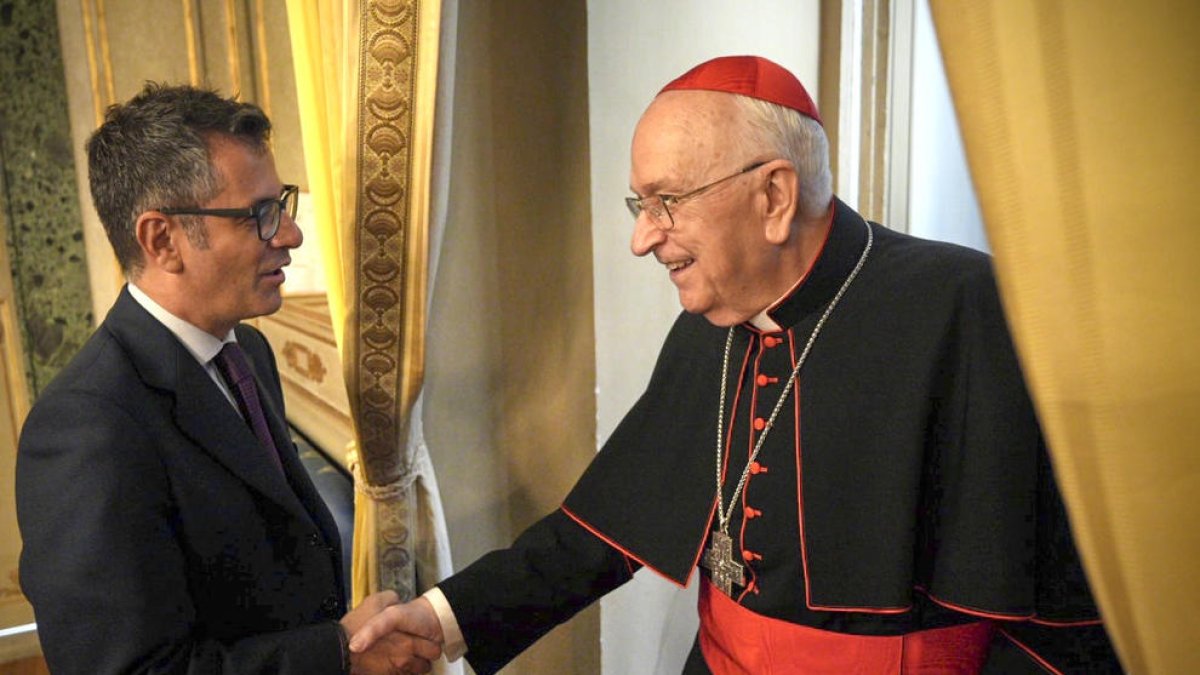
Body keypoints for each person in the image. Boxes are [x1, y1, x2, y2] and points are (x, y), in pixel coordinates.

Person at [350, 56, 1122, 673]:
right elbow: (602, 530)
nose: (643, 238)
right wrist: (441, 618)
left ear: (775, 197)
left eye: (666, 201)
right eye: (639, 205)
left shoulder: (963, 306)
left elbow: (1056, 607)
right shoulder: (715, 314)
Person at [15, 84, 440, 674]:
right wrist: (336, 656)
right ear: (162, 240)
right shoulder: (87, 427)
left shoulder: (248, 353)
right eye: (260, 215)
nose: (290, 234)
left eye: (282, 203)